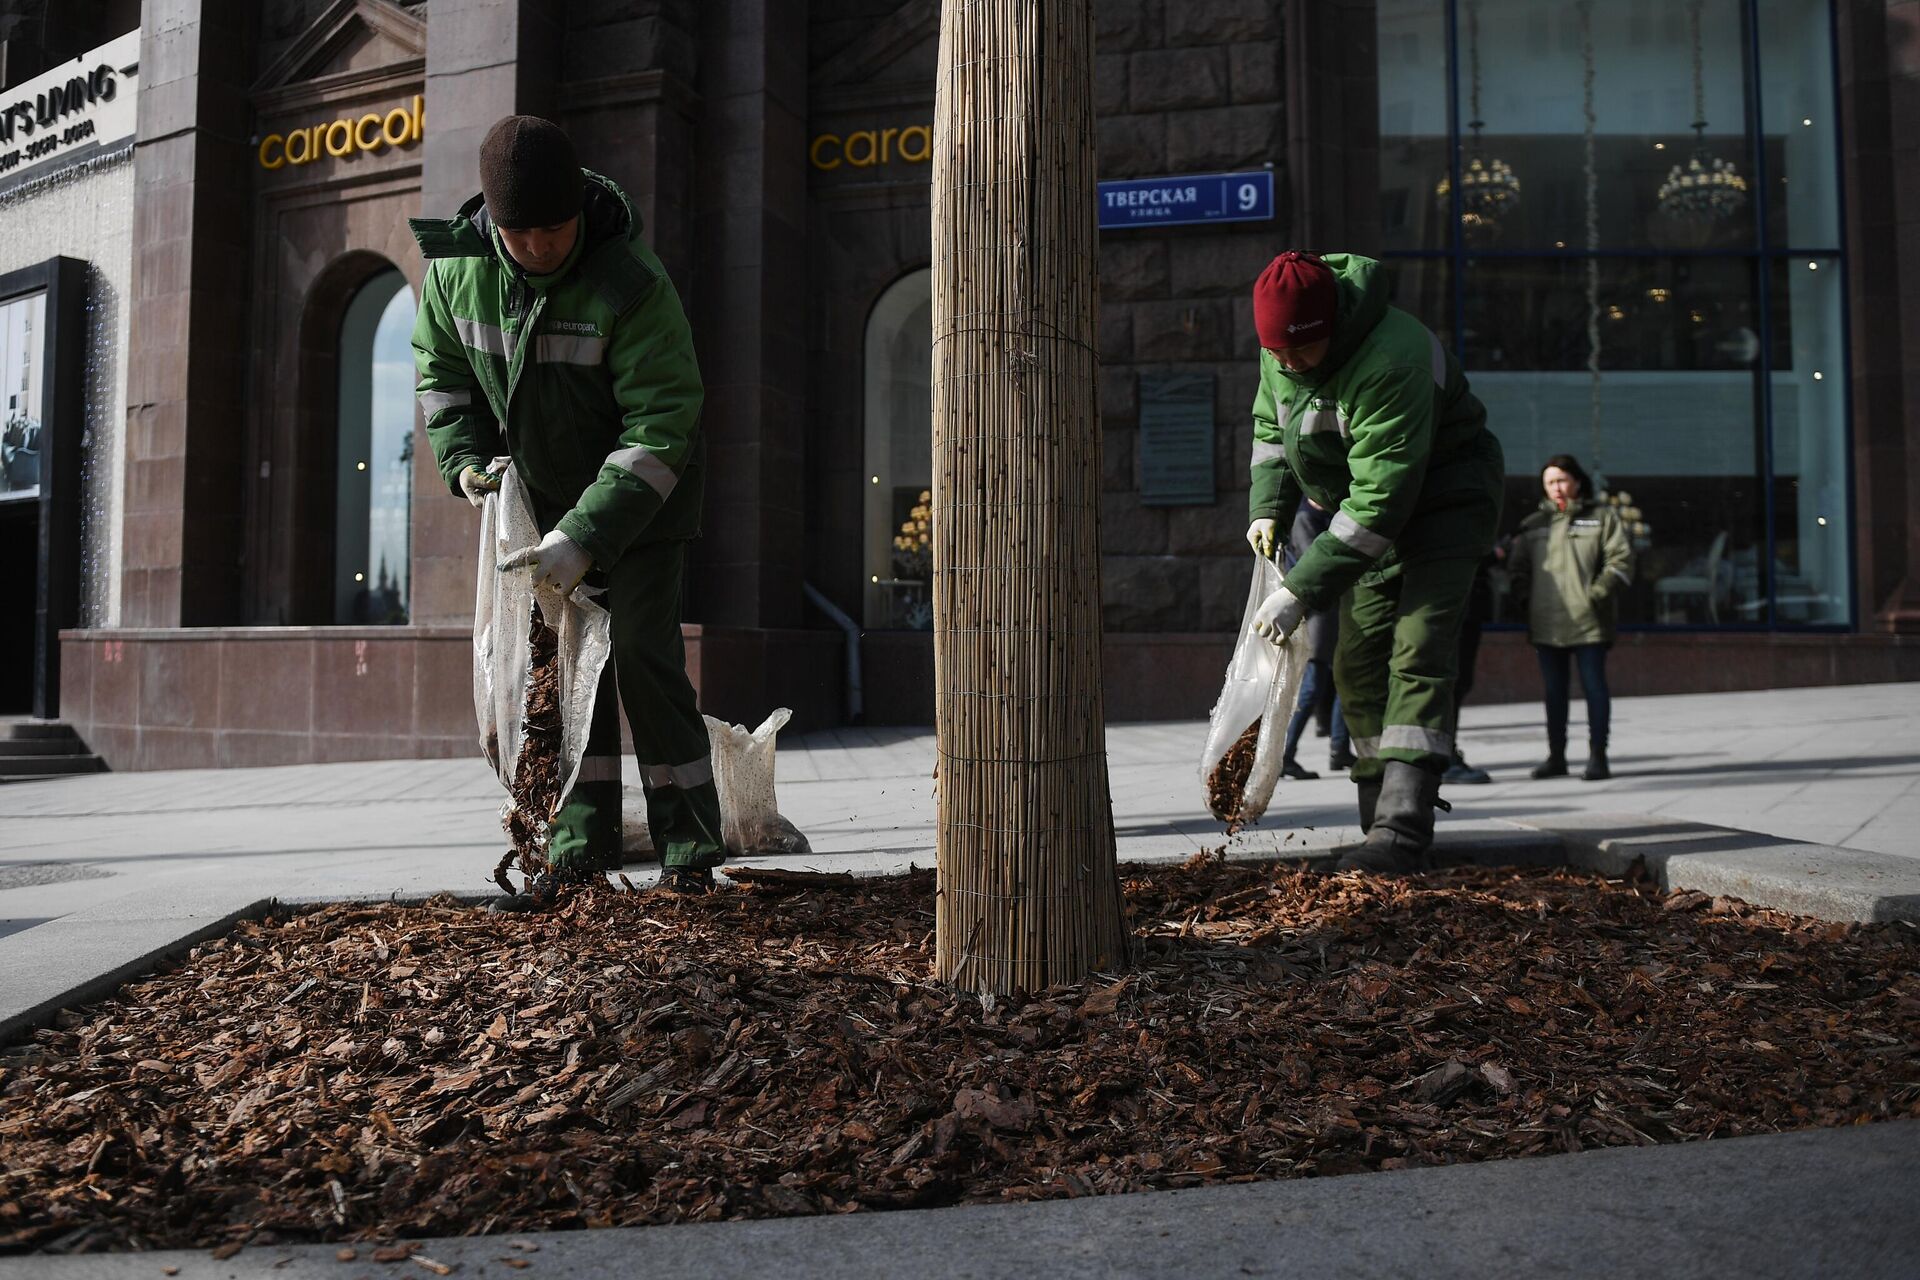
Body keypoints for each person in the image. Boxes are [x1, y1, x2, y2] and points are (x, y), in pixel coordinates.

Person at [410, 115, 725, 904]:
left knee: (646, 665)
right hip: (533, 510)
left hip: (642, 509)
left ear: (579, 211)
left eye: (556, 230)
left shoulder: (630, 281)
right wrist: (465, 463)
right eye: (522, 234)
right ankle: (578, 843)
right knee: (560, 678)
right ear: (493, 221)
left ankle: (688, 851)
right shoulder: (454, 270)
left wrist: (585, 533)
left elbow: (663, 422)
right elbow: (442, 378)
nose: (541, 248)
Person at [1243, 251, 1504, 874]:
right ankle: (1374, 825)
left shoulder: (1395, 358)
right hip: (1361, 517)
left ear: (1330, 327)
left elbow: (1382, 503)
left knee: (1418, 649)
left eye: (1297, 353)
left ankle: (1403, 830)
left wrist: (1301, 591)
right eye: (1274, 352)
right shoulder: (1281, 350)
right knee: (1357, 666)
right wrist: (1268, 506)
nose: (1285, 363)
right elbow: (1271, 433)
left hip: (1444, 507)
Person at [1507, 454, 1633, 782]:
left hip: (1589, 621)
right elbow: (1518, 569)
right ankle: (1556, 758)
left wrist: (1597, 595)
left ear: (1577, 481)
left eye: (1562, 480)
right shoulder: (1534, 524)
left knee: (1595, 688)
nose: (1557, 488)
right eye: (1550, 482)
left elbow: (1620, 560)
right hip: (1546, 623)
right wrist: (1525, 600)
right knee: (1554, 692)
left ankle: (1598, 757)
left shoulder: (1602, 517)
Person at [1278, 498, 1351, 780]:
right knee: (1312, 686)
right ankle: (1285, 755)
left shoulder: (1331, 515)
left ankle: (1340, 749)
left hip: (1336, 611)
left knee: (1345, 680)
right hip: (1318, 615)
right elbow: (1315, 564)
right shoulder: (1304, 519)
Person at [1440, 553, 1496, 785]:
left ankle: (1444, 753)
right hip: (1453, 604)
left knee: (1457, 684)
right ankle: (1444, 757)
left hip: (1462, 604)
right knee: (1450, 684)